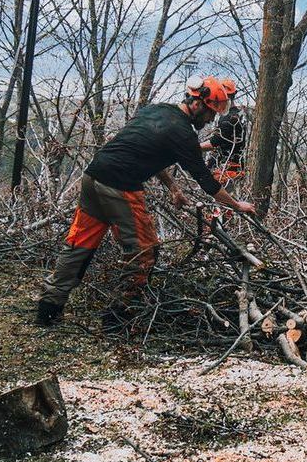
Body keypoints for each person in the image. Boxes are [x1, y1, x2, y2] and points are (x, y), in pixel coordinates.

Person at [34, 76, 256, 329]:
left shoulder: (157, 110)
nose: (210, 121)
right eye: (210, 114)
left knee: (79, 244)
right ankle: (117, 318)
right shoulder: (183, 133)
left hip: (93, 176)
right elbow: (207, 182)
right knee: (143, 252)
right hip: (119, 186)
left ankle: (48, 310)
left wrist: (173, 188)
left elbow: (146, 150)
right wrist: (237, 205)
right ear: (198, 104)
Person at [200, 77, 247, 184]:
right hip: (232, 166)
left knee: (219, 198)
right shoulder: (238, 114)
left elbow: (215, 142)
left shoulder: (229, 119)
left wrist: (193, 147)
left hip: (227, 169)